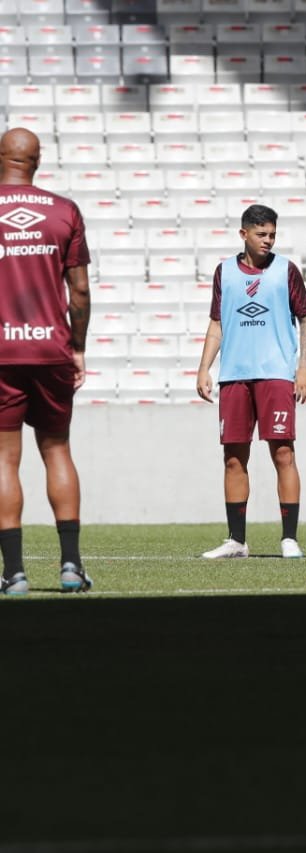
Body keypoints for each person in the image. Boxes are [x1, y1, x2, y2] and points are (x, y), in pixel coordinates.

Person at [0, 128, 92, 595]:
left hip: (1, 351)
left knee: (3, 458)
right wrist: (77, 347)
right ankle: (71, 567)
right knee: (56, 449)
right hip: (50, 348)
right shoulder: (63, 210)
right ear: (37, 161)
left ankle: (13, 572)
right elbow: (78, 290)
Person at [196, 205, 306, 561]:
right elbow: (216, 324)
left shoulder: (285, 270)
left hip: (276, 372)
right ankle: (237, 541)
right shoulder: (224, 272)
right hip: (234, 375)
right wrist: (204, 368)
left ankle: (289, 538)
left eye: (272, 235)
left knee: (283, 452)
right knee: (233, 457)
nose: (268, 241)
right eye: (262, 234)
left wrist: (304, 367)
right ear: (244, 234)